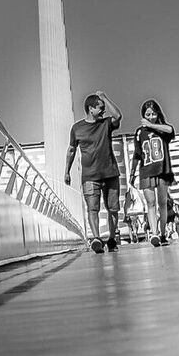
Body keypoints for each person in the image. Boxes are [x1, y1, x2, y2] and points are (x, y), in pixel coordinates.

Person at [64, 90, 123, 253]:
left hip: (111, 173)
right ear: (91, 108)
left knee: (113, 209)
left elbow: (118, 116)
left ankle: (111, 239)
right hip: (90, 176)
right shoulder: (77, 128)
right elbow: (71, 150)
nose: (104, 111)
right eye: (100, 107)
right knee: (93, 208)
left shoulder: (106, 124)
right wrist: (67, 171)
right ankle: (96, 238)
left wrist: (104, 97)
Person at [129, 98, 176, 247]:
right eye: (148, 114)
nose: (150, 117)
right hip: (146, 170)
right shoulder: (139, 132)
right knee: (150, 203)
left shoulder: (162, 129)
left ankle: (162, 233)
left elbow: (171, 130)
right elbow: (137, 155)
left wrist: (152, 125)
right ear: (143, 115)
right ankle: (154, 234)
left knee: (162, 202)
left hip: (162, 170)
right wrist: (132, 173)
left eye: (153, 114)